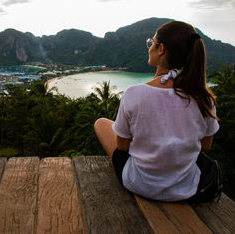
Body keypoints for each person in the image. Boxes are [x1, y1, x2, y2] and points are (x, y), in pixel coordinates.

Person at [94, 21, 220, 202]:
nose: (149, 47)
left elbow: (122, 146)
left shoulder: (134, 93)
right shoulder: (203, 97)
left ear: (161, 49)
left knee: (101, 123)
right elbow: (206, 146)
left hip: (140, 184)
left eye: (151, 43)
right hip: (187, 188)